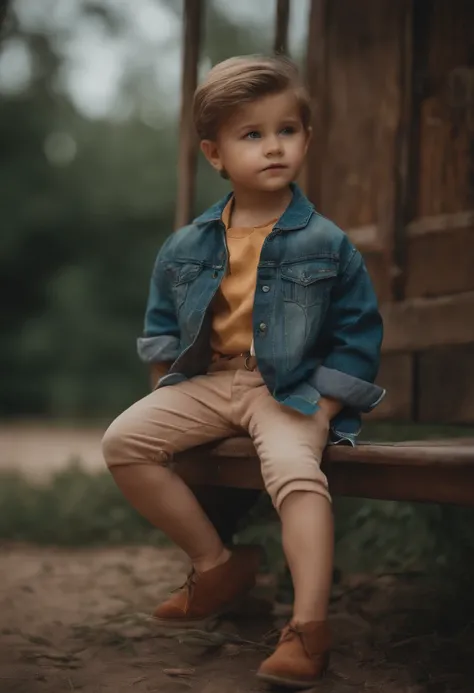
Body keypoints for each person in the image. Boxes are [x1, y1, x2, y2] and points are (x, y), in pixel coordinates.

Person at [102, 55, 385, 689]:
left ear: (307, 139)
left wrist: (326, 407)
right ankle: (217, 565)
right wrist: (165, 395)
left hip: (288, 388)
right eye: (251, 135)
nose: (273, 146)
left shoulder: (328, 243)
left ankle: (308, 629)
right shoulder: (185, 246)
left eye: (286, 130)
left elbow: (357, 335)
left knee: (293, 470)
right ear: (215, 153)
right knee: (124, 442)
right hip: (209, 384)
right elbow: (163, 329)